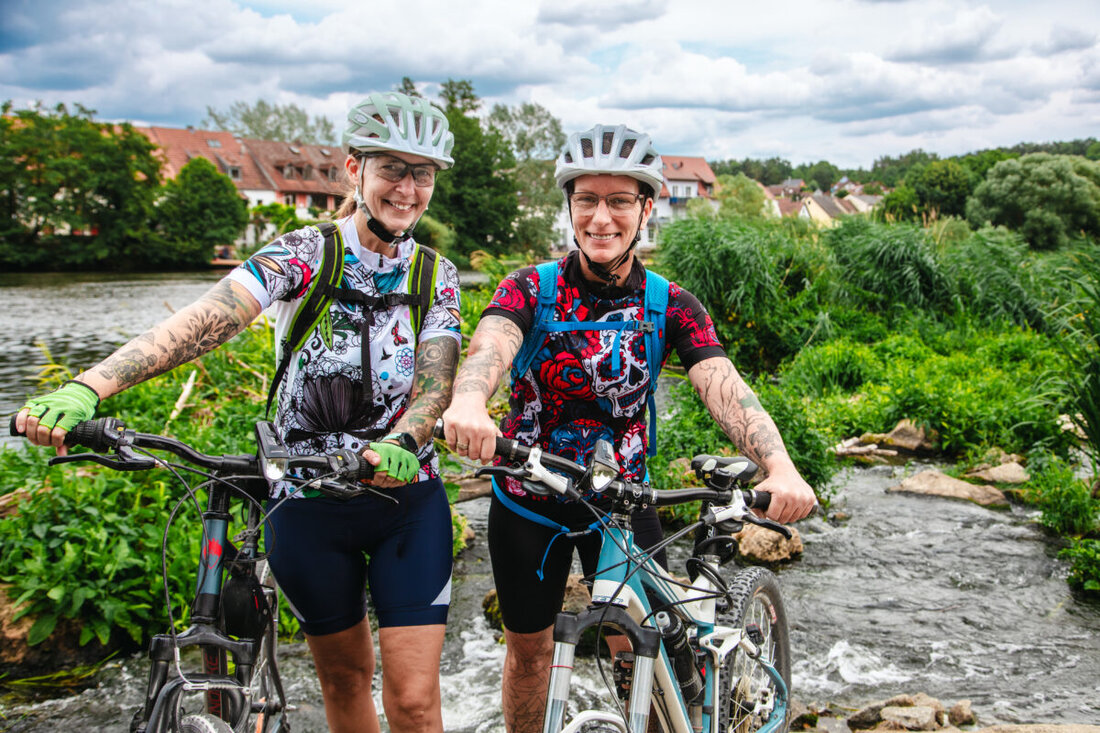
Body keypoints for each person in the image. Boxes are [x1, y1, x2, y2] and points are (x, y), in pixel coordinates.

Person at [15, 91, 463, 733]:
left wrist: (405, 437)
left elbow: (435, 385)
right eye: (392, 168)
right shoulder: (305, 253)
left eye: (422, 174)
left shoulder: (436, 276)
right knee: (342, 680)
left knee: (414, 701)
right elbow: (207, 319)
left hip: (404, 500)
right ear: (353, 170)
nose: (408, 187)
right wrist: (89, 387)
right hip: (304, 503)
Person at [440, 123, 817, 732]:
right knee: (530, 652)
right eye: (586, 199)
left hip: (619, 504)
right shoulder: (529, 289)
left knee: (634, 645)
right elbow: (490, 346)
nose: (601, 218)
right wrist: (469, 402)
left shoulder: (672, 304)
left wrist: (781, 465)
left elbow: (725, 387)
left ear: (646, 208)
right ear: (569, 205)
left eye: (619, 201)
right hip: (528, 501)